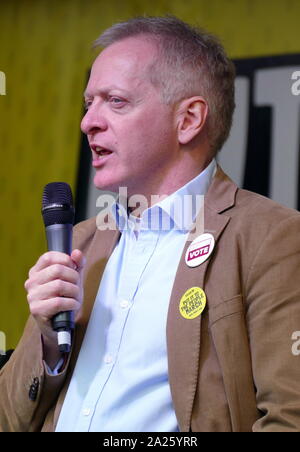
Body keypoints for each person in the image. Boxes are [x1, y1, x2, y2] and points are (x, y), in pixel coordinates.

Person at [1, 15, 300, 433]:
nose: (89, 122)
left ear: (189, 120)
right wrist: (49, 342)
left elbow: (289, 417)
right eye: (90, 104)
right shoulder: (81, 240)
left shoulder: (272, 237)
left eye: (116, 101)